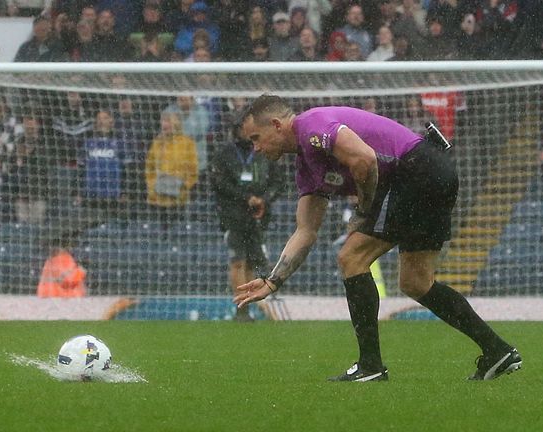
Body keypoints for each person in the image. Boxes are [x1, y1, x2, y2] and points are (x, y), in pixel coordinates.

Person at [234, 94, 522, 381]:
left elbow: (365, 159)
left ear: (276, 125)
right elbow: (306, 230)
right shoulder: (307, 168)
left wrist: (364, 209)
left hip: (415, 171)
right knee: (416, 282)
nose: (256, 148)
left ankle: (370, 366)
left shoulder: (312, 127)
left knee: (351, 258)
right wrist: (273, 280)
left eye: (257, 138)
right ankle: (497, 350)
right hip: (434, 172)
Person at [210, 122, 285, 322]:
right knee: (237, 261)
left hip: (258, 215)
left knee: (251, 262)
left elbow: (279, 182)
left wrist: (264, 199)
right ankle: (240, 311)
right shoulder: (225, 153)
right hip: (233, 215)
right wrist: (245, 197)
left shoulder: (264, 150)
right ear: (237, 129)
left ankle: (247, 308)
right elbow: (218, 182)